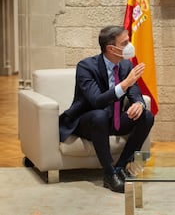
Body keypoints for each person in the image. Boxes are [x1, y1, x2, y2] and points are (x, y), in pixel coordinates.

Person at [59, 25, 154, 193]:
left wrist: (138, 104)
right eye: (125, 43)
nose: (130, 45)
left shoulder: (125, 66)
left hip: (115, 120)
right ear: (111, 48)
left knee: (146, 116)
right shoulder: (86, 67)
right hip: (88, 122)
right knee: (100, 115)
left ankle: (120, 167)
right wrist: (125, 83)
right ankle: (109, 174)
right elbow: (96, 101)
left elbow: (136, 94)